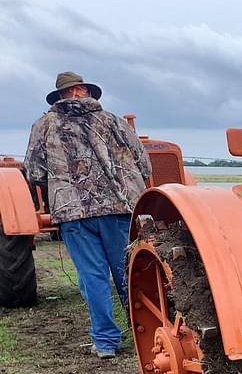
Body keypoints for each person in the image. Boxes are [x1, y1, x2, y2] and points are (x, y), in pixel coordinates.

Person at [24, 71, 152, 358]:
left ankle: (106, 342)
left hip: (73, 213)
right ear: (83, 90)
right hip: (118, 208)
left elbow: (34, 171)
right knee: (128, 272)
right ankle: (148, 334)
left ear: (61, 96)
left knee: (92, 275)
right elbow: (144, 164)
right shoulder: (113, 121)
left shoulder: (44, 125)